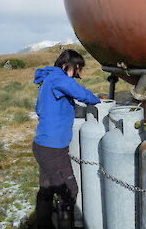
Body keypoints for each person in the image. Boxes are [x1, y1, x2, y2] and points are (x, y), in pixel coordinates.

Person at [32, 49, 100, 229]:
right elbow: (81, 93)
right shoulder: (58, 78)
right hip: (53, 149)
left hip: (43, 145)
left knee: (46, 189)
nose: (78, 73)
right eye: (77, 68)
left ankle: (43, 225)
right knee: (69, 193)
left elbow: (40, 108)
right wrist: (99, 102)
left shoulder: (48, 80)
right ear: (67, 65)